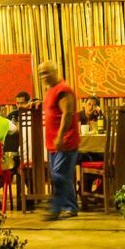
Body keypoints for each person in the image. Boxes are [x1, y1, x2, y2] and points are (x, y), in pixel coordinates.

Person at [38, 61, 80, 220]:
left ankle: (56, 209)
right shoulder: (50, 90)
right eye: (41, 73)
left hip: (65, 141)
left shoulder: (63, 89)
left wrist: (61, 136)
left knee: (58, 175)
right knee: (62, 175)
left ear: (55, 71)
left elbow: (67, 113)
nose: (43, 76)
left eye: (46, 72)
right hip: (54, 142)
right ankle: (70, 207)